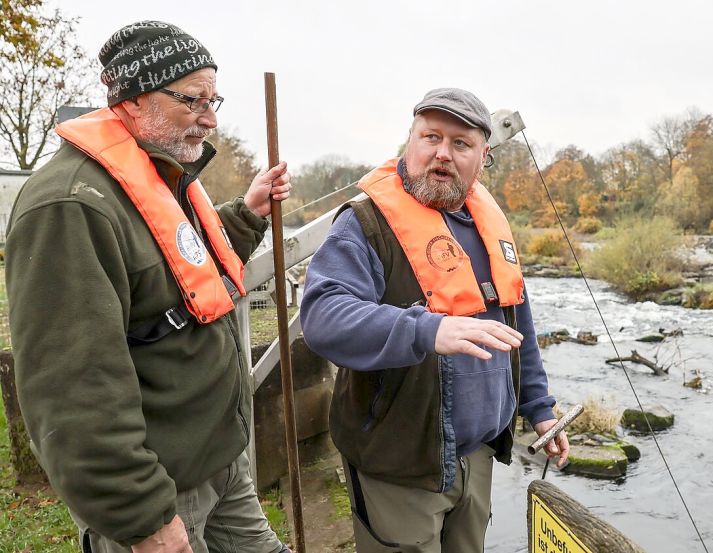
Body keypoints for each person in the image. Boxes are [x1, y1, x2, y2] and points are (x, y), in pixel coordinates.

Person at [6, 21, 292, 553]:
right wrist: (142, 516)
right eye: (193, 100)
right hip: (162, 491)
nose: (210, 119)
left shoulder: (157, 176)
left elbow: (178, 266)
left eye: (215, 99)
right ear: (134, 100)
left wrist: (247, 215)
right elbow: (72, 386)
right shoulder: (70, 206)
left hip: (221, 462)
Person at [300, 88, 570, 552]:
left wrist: (539, 409)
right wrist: (426, 328)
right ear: (410, 142)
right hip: (398, 462)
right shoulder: (364, 224)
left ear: (484, 157)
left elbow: (516, 325)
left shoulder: (492, 227)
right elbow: (322, 316)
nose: (442, 153)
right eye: (430, 137)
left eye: (460, 143)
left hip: (477, 456)